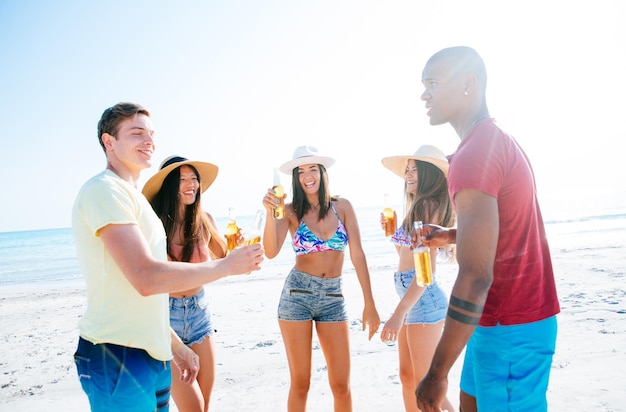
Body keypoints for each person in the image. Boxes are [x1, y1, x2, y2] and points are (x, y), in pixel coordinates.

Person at [72, 102, 263, 412]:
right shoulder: (104, 190)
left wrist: (176, 347)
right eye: (136, 133)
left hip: (155, 351)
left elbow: (149, 297)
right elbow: (147, 278)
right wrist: (227, 266)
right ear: (109, 142)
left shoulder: (135, 200)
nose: (148, 140)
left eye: (151, 133)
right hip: (117, 352)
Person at [415, 46, 560, 412]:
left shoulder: (476, 152)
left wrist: (436, 373)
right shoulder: (490, 141)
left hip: (510, 323)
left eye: (432, 83)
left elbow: (476, 276)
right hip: (492, 322)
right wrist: (449, 235)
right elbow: (506, 230)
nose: (424, 94)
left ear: (468, 84)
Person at [261, 145, 381, 412]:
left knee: (341, 385)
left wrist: (369, 303)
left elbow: (358, 255)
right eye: (301, 171)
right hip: (297, 297)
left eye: (312, 169)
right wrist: (272, 212)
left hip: (333, 298)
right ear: (295, 178)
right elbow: (270, 252)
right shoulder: (290, 210)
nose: (307, 176)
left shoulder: (343, 206)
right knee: (301, 383)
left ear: (322, 172)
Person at [142, 155, 226, 412]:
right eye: (183, 179)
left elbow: (223, 256)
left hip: (200, 315)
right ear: (170, 186)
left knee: (205, 405)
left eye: (194, 179)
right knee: (194, 407)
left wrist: (236, 242)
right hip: (167, 318)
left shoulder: (203, 219)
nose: (191, 184)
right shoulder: (154, 225)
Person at [379, 145, 456, 412]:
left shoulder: (427, 205)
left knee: (426, 387)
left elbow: (424, 274)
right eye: (407, 170)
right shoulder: (418, 206)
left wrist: (397, 314)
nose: (409, 175)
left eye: (415, 170)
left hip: (421, 300)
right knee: (407, 377)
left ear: (430, 174)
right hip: (414, 299)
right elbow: (408, 257)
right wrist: (392, 234)